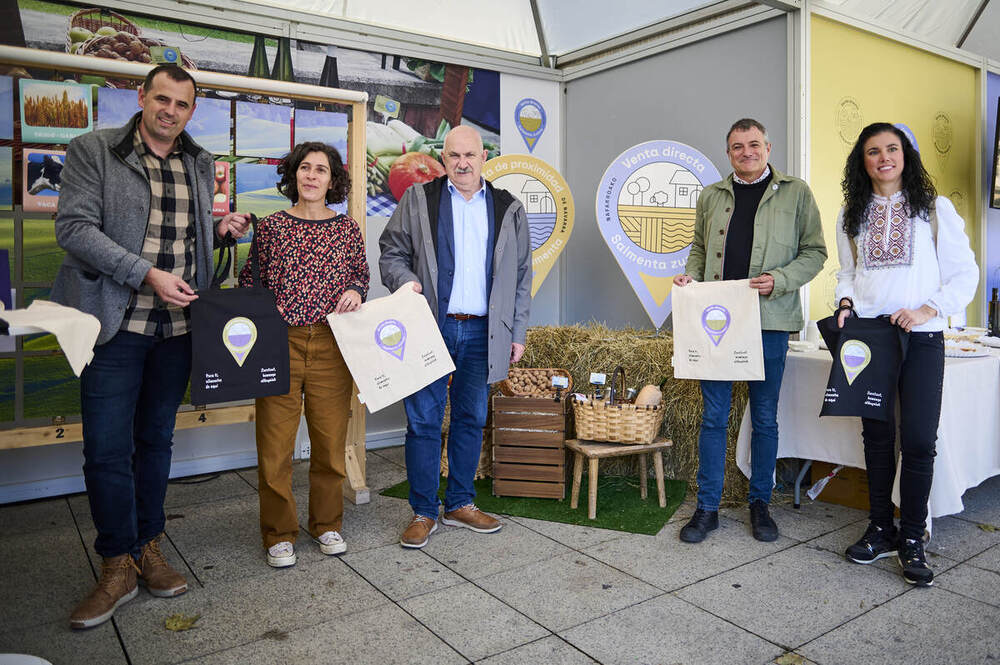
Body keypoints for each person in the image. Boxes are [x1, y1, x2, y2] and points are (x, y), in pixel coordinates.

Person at [51, 64, 250, 629]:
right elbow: (75, 229)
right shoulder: (94, 150)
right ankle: (117, 562)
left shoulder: (199, 160)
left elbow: (185, 236)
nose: (170, 111)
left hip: (178, 333)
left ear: (192, 110)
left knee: (156, 441)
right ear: (141, 98)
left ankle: (147, 545)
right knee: (108, 450)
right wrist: (146, 275)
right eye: (161, 99)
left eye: (181, 104)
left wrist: (220, 230)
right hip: (113, 326)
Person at [835, 122, 977, 586]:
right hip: (870, 338)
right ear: (863, 161)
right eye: (872, 151)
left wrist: (926, 309)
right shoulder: (850, 214)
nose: (883, 158)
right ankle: (881, 529)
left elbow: (964, 276)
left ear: (905, 155)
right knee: (876, 437)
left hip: (922, 336)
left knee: (918, 440)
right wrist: (845, 303)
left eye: (891, 149)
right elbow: (847, 273)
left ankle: (913, 536)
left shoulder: (935, 210)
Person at [673, 118, 827, 544]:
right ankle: (707, 509)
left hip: (770, 322)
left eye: (753, 144)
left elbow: (815, 251)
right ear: (729, 153)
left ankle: (760, 503)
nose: (746, 152)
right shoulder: (712, 196)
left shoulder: (796, 193)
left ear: (768, 147)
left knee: (764, 418)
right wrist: (690, 278)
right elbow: (700, 250)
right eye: (737, 147)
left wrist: (781, 279)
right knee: (713, 418)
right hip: (718, 322)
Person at [379, 125, 531, 549]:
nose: (462, 163)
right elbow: (390, 252)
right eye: (453, 156)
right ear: (442, 160)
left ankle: (461, 503)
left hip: (484, 329)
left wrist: (516, 331)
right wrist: (405, 281)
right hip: (430, 325)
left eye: (470, 155)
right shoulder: (418, 200)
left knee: (471, 417)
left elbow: (521, 276)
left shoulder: (508, 208)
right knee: (424, 421)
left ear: (484, 157)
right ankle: (424, 511)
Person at [238, 141, 369, 567]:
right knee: (275, 447)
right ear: (294, 174)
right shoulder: (272, 227)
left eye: (322, 170)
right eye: (305, 168)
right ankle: (278, 533)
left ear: (333, 180)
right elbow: (248, 282)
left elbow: (360, 276)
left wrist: (353, 290)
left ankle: (327, 525)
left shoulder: (347, 229)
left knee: (330, 444)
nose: (312, 176)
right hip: (280, 343)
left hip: (333, 343)